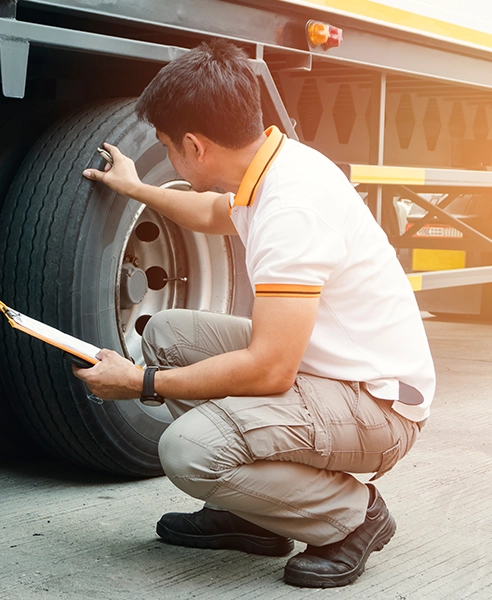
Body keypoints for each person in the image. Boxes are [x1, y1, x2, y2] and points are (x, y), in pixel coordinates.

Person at [75, 39, 434, 589]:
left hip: (377, 406)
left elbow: (270, 369)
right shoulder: (273, 164)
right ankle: (254, 516)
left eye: (169, 146)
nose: (170, 155)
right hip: (331, 373)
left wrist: (141, 383)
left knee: (188, 451)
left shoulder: (291, 210)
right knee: (168, 333)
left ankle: (351, 516)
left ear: (195, 146)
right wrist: (137, 188)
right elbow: (217, 211)